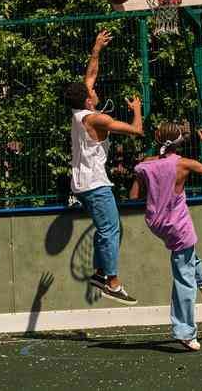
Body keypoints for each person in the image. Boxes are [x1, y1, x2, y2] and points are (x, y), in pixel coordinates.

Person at [130, 123, 202, 351]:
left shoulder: (144, 165)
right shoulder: (183, 163)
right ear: (179, 142)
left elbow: (134, 196)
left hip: (156, 224)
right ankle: (184, 331)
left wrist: (139, 172)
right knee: (184, 280)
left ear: (156, 138)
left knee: (187, 253)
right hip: (178, 224)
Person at [63, 30, 142, 305]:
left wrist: (96, 49)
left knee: (105, 229)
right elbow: (137, 131)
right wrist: (137, 108)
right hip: (95, 184)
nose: (94, 89)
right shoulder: (97, 119)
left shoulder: (77, 112)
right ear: (88, 100)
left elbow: (90, 76)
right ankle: (112, 282)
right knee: (111, 230)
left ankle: (98, 273)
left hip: (81, 184)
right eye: (92, 92)